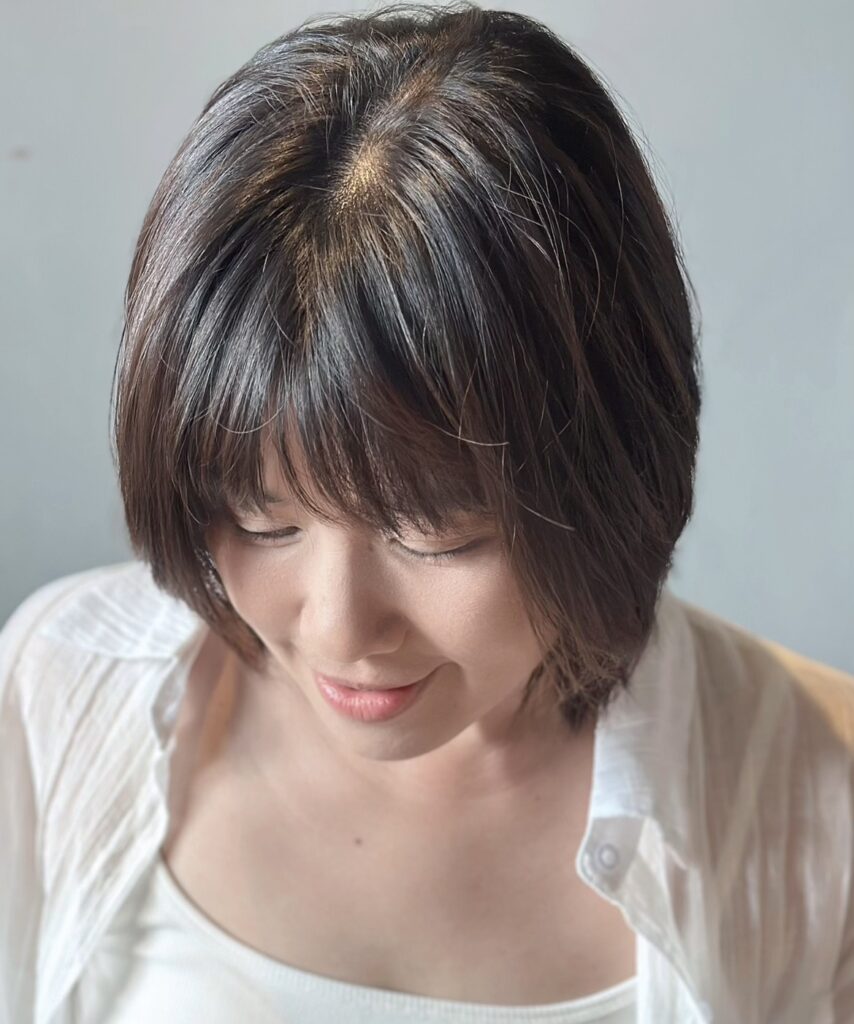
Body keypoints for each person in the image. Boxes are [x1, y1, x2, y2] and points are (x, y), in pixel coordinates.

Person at [2, 2, 853, 1022]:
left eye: (434, 536)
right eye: (263, 521)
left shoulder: (808, 799)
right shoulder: (61, 688)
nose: (339, 629)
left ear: (609, 470)